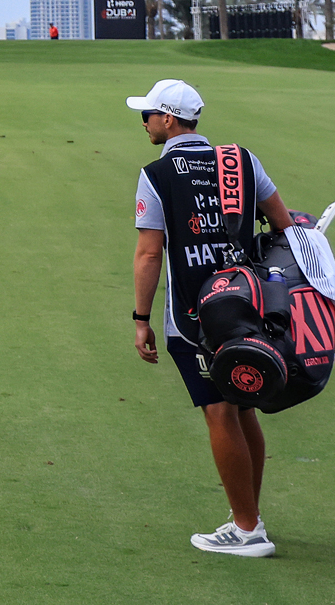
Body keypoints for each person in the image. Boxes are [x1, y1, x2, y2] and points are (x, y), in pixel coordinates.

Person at [128, 78, 295, 559]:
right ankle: (249, 517)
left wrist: (141, 319)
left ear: (167, 119)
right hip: (252, 304)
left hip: (193, 318)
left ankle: (247, 529)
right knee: (241, 407)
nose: (144, 123)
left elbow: (148, 254)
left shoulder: (157, 175)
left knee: (219, 411)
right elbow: (284, 224)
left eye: (148, 115)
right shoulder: (241, 159)